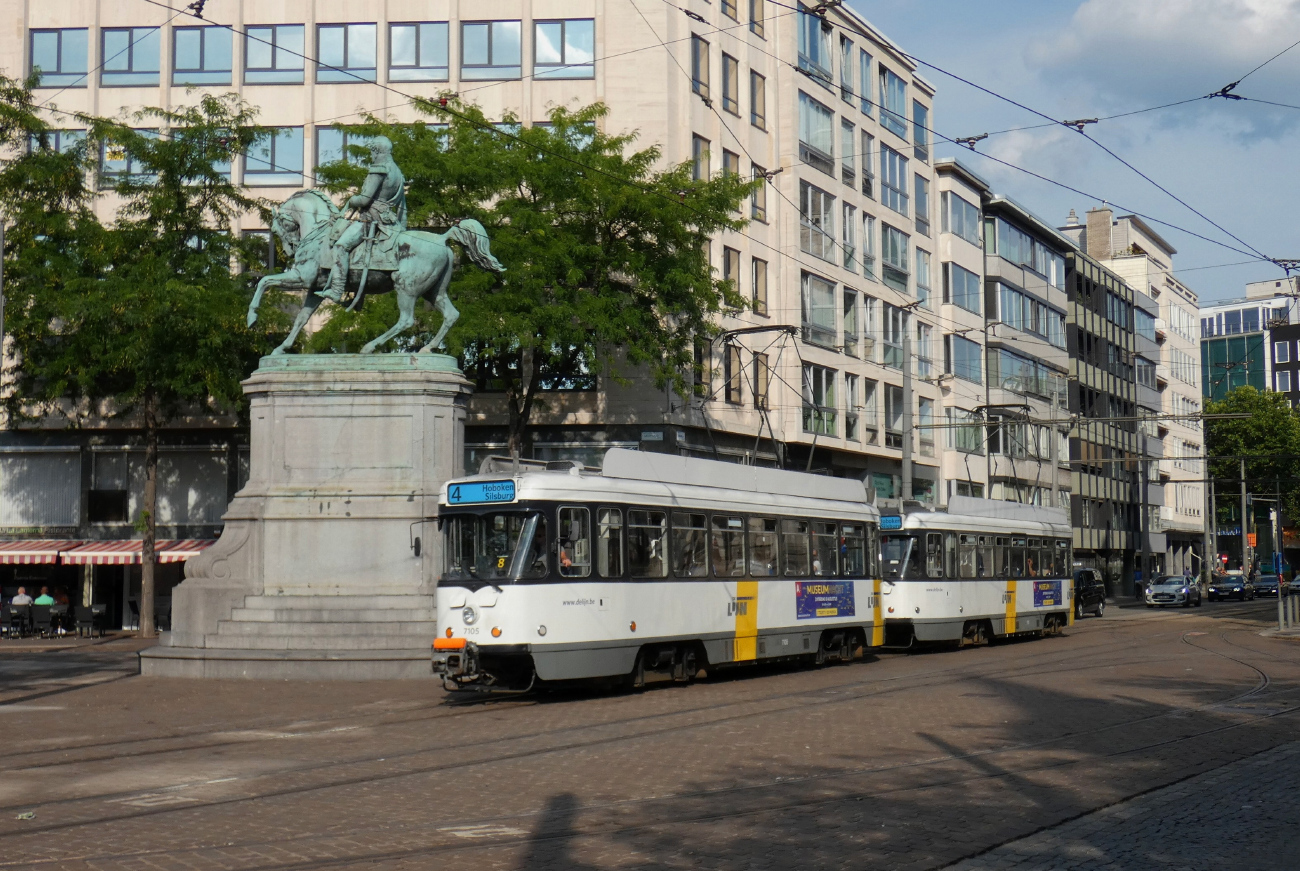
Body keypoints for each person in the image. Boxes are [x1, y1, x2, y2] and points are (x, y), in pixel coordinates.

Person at [321, 136, 408, 303]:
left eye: (372, 152)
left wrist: (349, 201)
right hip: (391, 223)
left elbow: (364, 200)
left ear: (376, 151)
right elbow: (403, 208)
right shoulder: (398, 172)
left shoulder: (379, 169)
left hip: (370, 220)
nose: (371, 156)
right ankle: (357, 295)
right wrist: (402, 229)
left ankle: (337, 290)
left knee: (340, 246)